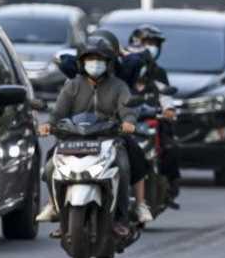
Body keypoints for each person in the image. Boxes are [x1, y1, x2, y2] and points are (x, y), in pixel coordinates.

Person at [44, 36, 149, 235]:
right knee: (50, 165)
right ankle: (56, 209)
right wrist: (48, 125)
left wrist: (128, 122)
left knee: (125, 166)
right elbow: (58, 112)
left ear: (109, 62)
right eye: (90, 59)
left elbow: (128, 109)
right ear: (82, 62)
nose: (95, 63)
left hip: (109, 139)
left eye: (100, 59)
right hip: (74, 138)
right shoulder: (72, 86)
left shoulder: (118, 86)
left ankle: (121, 217)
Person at [129, 24, 182, 202]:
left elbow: (165, 94)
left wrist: (168, 110)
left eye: (154, 43)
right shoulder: (122, 70)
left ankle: (169, 185)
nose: (151, 47)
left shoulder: (158, 73)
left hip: (150, 121)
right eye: (147, 42)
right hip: (125, 122)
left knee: (169, 146)